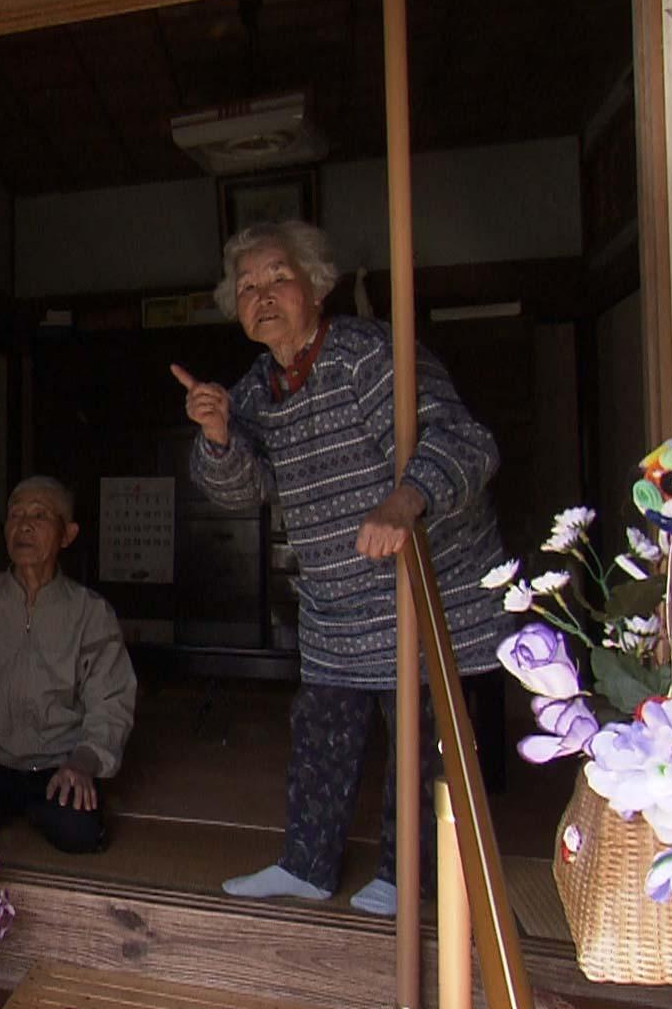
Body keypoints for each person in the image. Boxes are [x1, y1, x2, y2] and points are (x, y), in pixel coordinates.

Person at [171, 221, 510, 917]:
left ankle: (407, 876)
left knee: (419, 737)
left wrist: (403, 499)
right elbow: (243, 490)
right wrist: (216, 435)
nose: (261, 295)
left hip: (422, 583)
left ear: (316, 286)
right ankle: (307, 865)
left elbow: (468, 442)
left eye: (277, 278)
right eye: (246, 287)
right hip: (336, 597)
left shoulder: (367, 355)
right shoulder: (256, 388)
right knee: (320, 728)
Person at [0, 476, 136, 855]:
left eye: (40, 515)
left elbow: (112, 700)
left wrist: (83, 762)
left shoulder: (90, 613)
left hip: (58, 763)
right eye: (16, 515)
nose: (24, 525)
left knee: (77, 832)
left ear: (67, 535)